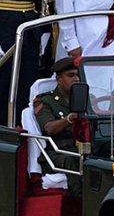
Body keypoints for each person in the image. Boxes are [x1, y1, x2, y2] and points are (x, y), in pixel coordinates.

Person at [35, 57, 83, 197]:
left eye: (78, 75)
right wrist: (69, 118)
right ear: (58, 78)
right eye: (71, 75)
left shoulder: (85, 98)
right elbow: (49, 128)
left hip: (81, 148)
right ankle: (82, 200)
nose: (76, 79)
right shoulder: (45, 100)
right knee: (69, 160)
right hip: (57, 152)